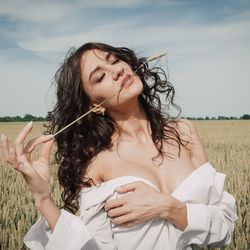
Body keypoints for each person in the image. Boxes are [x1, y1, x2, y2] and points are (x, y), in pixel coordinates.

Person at [0, 42, 238, 250]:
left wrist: (169, 208)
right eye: (100, 77)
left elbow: (225, 226)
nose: (116, 71)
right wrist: (42, 198)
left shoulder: (183, 131)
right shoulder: (96, 163)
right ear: (95, 106)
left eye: (114, 61)